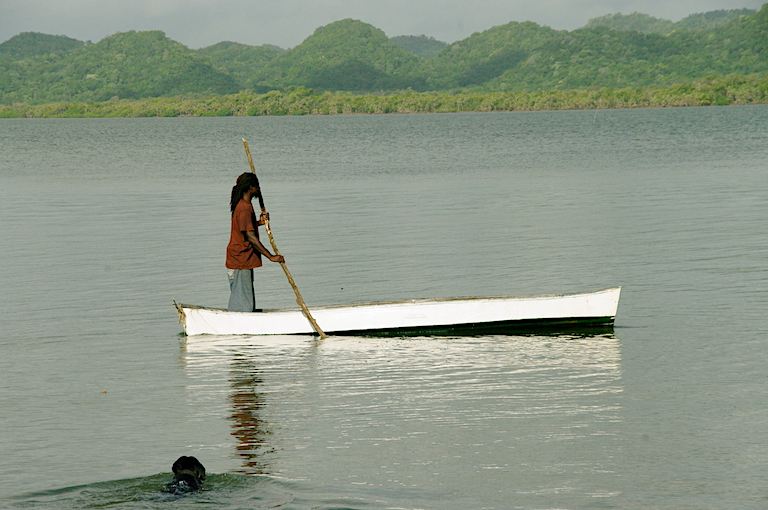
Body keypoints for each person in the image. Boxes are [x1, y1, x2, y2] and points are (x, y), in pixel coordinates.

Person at [226, 173, 284, 312]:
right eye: (257, 185)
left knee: (245, 297)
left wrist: (259, 222)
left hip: (242, 259)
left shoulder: (244, 205)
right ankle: (240, 324)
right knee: (243, 302)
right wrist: (270, 256)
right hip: (240, 260)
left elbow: (245, 228)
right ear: (251, 187)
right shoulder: (244, 208)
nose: (259, 189)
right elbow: (251, 237)